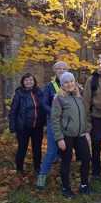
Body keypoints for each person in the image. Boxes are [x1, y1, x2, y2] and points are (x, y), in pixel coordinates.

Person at [51, 72, 92, 198]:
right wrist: (59, 138)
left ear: (74, 82)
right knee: (66, 162)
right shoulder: (59, 98)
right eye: (66, 82)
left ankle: (84, 185)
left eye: (71, 81)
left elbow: (85, 115)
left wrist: (86, 131)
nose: (69, 84)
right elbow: (55, 119)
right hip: (66, 136)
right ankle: (66, 188)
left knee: (86, 158)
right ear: (62, 85)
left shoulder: (79, 96)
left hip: (80, 134)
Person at [36, 61, 69, 189]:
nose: (61, 70)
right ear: (54, 71)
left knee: (66, 150)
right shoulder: (50, 86)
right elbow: (43, 104)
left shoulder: (71, 85)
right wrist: (55, 112)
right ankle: (42, 176)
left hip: (68, 122)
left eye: (64, 68)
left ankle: (64, 177)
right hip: (53, 122)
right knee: (51, 151)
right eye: (59, 68)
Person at [83, 56, 101, 180]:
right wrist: (87, 121)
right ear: (98, 65)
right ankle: (96, 171)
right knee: (96, 144)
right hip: (97, 117)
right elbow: (86, 101)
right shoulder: (92, 80)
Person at [9, 73, 46, 174]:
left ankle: (37, 168)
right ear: (23, 82)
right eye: (26, 80)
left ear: (34, 81)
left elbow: (44, 107)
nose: (29, 82)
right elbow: (13, 111)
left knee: (37, 148)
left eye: (31, 80)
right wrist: (12, 126)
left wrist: (45, 122)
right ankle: (19, 169)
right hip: (23, 127)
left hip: (37, 127)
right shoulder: (19, 94)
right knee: (22, 148)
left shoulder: (39, 92)